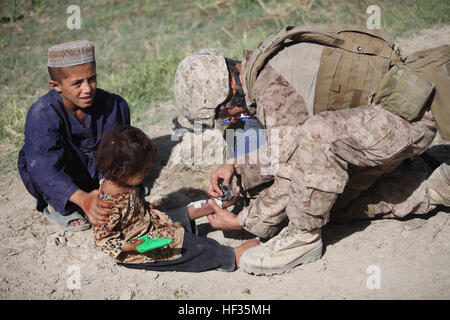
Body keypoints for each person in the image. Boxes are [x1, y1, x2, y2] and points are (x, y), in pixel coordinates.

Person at [173, 25, 450, 275]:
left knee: (316, 149)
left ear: (229, 88)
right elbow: (286, 146)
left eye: (223, 116)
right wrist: (239, 169)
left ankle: (302, 240)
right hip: (395, 111)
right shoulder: (264, 71)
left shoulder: (273, 90)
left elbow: (292, 172)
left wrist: (244, 221)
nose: (230, 121)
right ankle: (438, 186)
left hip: (409, 117)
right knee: (328, 202)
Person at [93, 124, 259, 272]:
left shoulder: (123, 183)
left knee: (181, 213)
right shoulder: (105, 207)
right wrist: (133, 246)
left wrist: (144, 206)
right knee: (189, 247)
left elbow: (133, 204)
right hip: (139, 245)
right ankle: (231, 256)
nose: (146, 175)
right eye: (143, 172)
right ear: (125, 173)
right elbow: (103, 241)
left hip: (148, 223)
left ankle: (214, 204)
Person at [17, 40, 129, 232]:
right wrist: (84, 200)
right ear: (56, 85)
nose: (87, 89)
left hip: (98, 175)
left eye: (92, 79)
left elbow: (116, 151)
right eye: (77, 83)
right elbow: (44, 168)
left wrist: (108, 192)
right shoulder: (42, 114)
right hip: (63, 175)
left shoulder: (112, 106)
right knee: (34, 162)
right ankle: (58, 206)